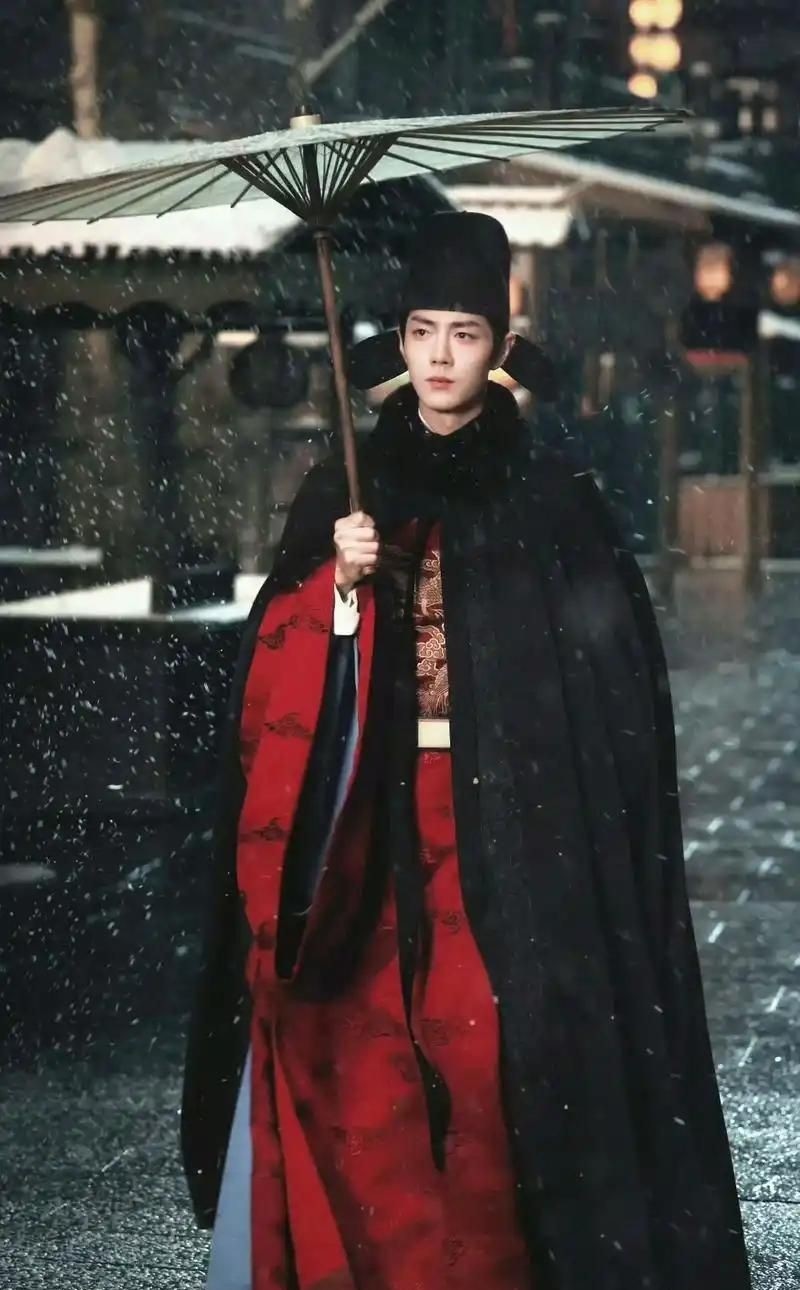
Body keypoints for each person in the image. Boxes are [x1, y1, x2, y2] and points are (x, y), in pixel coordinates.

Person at [181, 213, 752, 1290]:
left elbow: (611, 688)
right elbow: (270, 674)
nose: (440, 357)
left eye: (465, 333)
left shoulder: (549, 496)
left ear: (499, 344)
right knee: (362, 1064)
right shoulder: (347, 488)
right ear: (398, 342)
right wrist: (338, 591)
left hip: (518, 830)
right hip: (372, 826)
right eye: (422, 331)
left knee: (494, 1064)